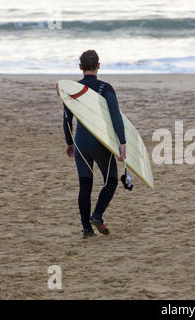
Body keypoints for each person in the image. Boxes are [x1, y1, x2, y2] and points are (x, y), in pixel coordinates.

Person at [57, 50, 127, 239]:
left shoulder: (72, 90)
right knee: (110, 180)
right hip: (100, 142)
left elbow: (66, 120)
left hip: (80, 142)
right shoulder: (105, 88)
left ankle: (86, 229)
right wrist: (122, 142)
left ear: (80, 67)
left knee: (85, 185)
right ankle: (97, 216)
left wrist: (70, 142)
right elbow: (115, 117)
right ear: (98, 66)